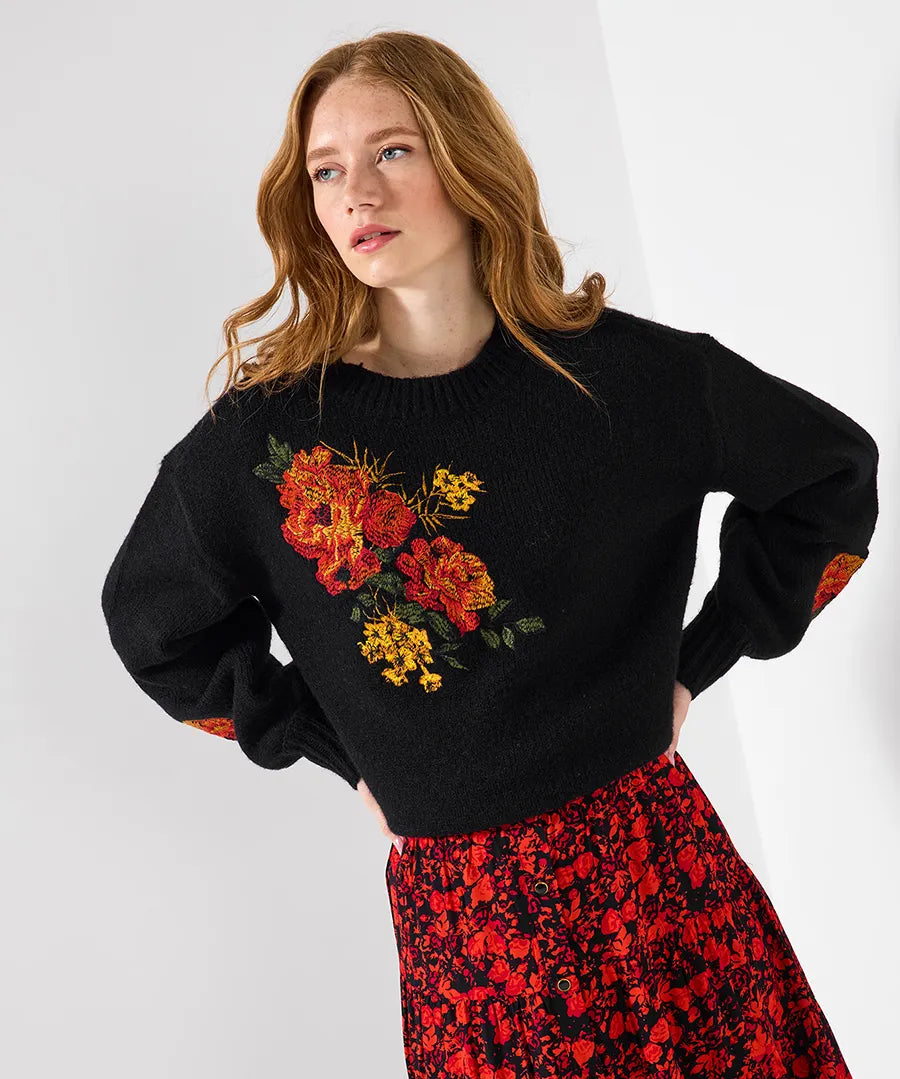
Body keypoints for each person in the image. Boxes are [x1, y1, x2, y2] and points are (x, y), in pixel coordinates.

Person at [100, 29, 876, 1078]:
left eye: (393, 151)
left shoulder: (630, 379)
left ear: (467, 157)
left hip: (666, 893)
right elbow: (152, 620)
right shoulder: (263, 445)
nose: (356, 193)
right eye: (326, 170)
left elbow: (832, 475)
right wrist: (331, 748)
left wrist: (697, 663)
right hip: (472, 942)